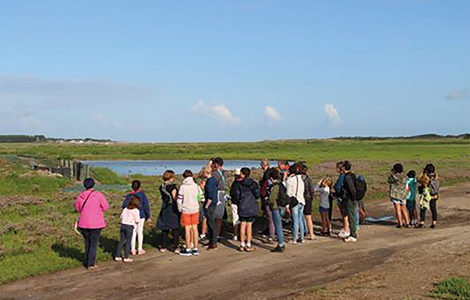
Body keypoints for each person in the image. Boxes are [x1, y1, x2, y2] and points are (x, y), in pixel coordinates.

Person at [75, 178, 109, 269]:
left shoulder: (80, 196)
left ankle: (87, 261)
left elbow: (78, 209)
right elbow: (105, 207)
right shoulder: (98, 195)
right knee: (93, 243)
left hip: (83, 223)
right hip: (96, 223)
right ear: (93, 185)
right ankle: (91, 263)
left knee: (87, 243)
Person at [231, 167, 260, 252]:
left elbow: (236, 196)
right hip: (251, 205)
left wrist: (238, 202)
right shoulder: (253, 183)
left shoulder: (238, 184)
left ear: (242, 174)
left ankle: (242, 244)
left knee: (242, 224)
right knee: (249, 225)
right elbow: (257, 194)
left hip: (242, 205)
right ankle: (248, 244)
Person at [177, 170, 204, 256]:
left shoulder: (183, 187)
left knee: (187, 229)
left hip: (186, 210)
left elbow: (179, 200)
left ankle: (188, 248)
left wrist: (180, 209)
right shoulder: (196, 186)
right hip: (195, 209)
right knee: (195, 229)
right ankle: (195, 248)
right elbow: (202, 198)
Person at [122, 180, 151, 255]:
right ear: (140, 186)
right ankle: (140, 249)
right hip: (141, 215)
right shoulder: (143, 195)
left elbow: (124, 205)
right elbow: (146, 206)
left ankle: (132, 249)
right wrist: (148, 216)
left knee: (133, 232)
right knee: (140, 232)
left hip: (131, 217)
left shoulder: (129, 196)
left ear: (132, 187)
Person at [156, 170, 180, 253]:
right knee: (175, 227)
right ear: (171, 177)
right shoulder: (172, 187)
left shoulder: (162, 186)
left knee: (165, 227)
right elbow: (175, 198)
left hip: (164, 206)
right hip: (172, 207)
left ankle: (163, 246)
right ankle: (175, 246)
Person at [267, 168, 288, 252]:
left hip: (276, 207)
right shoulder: (281, 184)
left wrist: (267, 201)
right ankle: (281, 243)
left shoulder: (275, 186)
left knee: (278, 226)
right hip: (281, 206)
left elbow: (272, 199)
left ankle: (280, 244)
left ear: (271, 177)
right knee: (280, 225)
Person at [115, 196, 141, 262]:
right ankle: (126, 257)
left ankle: (117, 255)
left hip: (123, 225)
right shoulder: (136, 211)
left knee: (121, 241)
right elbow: (137, 220)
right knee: (128, 241)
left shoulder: (125, 209)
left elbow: (121, 216)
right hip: (129, 226)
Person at [286, 163, 306, 244]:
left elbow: (288, 193)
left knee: (295, 221)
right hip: (302, 200)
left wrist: (287, 205)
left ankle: (294, 239)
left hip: (294, 202)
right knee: (300, 220)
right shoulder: (301, 179)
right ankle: (302, 238)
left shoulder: (290, 180)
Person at [340, 161, 358, 242]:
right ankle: (352, 233)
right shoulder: (352, 175)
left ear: (344, 167)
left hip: (350, 199)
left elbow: (351, 189)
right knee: (352, 216)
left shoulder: (347, 177)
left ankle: (353, 235)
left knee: (351, 217)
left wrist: (353, 198)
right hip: (352, 199)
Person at [387, 163, 410, 228]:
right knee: (404, 208)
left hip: (396, 194)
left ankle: (400, 223)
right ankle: (407, 222)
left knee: (398, 209)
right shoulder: (405, 176)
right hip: (403, 194)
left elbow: (389, 180)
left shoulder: (394, 176)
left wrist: (391, 173)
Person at [417, 164, 439, 228]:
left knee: (423, 208)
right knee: (433, 208)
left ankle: (422, 222)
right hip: (434, 194)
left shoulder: (425, 177)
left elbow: (419, 179)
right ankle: (434, 222)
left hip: (426, 195)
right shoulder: (435, 177)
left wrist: (422, 173)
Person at [204, 166, 220, 250]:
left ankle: (213, 242)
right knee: (210, 222)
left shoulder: (210, 181)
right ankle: (211, 241)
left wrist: (207, 205)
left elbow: (210, 195)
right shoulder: (213, 180)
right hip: (213, 202)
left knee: (211, 223)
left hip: (210, 203)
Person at [259, 159, 275, 242]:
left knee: (270, 216)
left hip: (267, 197)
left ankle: (271, 234)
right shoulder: (268, 172)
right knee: (268, 215)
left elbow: (267, 185)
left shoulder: (267, 174)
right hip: (268, 196)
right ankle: (268, 230)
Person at [211, 157, 227, 239]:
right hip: (223, 193)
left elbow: (202, 173)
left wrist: (209, 164)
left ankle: (213, 233)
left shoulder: (214, 173)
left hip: (217, 193)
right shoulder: (224, 172)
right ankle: (217, 233)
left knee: (213, 215)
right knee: (220, 216)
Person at [334, 161, 349, 238]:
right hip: (345, 197)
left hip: (341, 197)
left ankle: (346, 230)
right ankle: (346, 228)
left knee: (344, 214)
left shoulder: (341, 176)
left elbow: (338, 187)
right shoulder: (346, 175)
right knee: (345, 214)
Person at [300, 164, 316, 240]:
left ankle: (301, 233)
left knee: (299, 217)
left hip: (300, 198)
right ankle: (312, 234)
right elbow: (312, 190)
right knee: (308, 217)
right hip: (308, 198)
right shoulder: (308, 178)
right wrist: (311, 198)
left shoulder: (299, 178)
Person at [229, 168, 242, 241]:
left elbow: (231, 193)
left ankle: (235, 234)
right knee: (242, 219)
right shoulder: (243, 183)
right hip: (242, 203)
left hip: (234, 203)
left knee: (235, 219)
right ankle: (241, 234)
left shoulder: (234, 184)